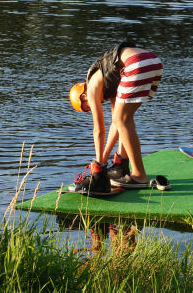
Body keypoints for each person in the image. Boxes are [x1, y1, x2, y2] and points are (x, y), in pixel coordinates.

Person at [68, 41, 163, 194]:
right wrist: (106, 160)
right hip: (153, 62)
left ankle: (139, 176)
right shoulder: (109, 82)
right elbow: (115, 125)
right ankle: (121, 165)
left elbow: (99, 130)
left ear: (83, 95)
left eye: (86, 107)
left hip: (137, 63)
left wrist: (98, 166)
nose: (91, 107)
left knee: (122, 119)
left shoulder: (91, 86)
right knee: (124, 119)